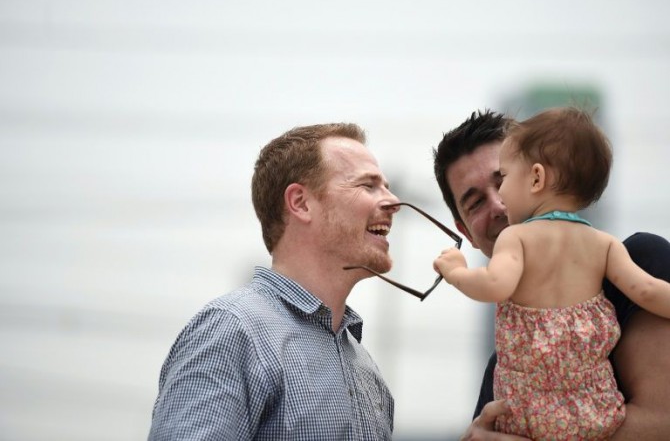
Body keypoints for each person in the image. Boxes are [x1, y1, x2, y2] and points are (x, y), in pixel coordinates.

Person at [148, 123, 399, 440]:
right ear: (301, 202)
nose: (394, 201)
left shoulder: (367, 372)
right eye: (368, 185)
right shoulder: (233, 331)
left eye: (387, 186)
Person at [433, 107, 670, 439]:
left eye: (503, 179)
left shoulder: (645, 258)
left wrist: (456, 271)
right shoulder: (504, 366)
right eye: (475, 203)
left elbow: (662, 426)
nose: (499, 204)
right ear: (467, 233)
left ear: (538, 177)